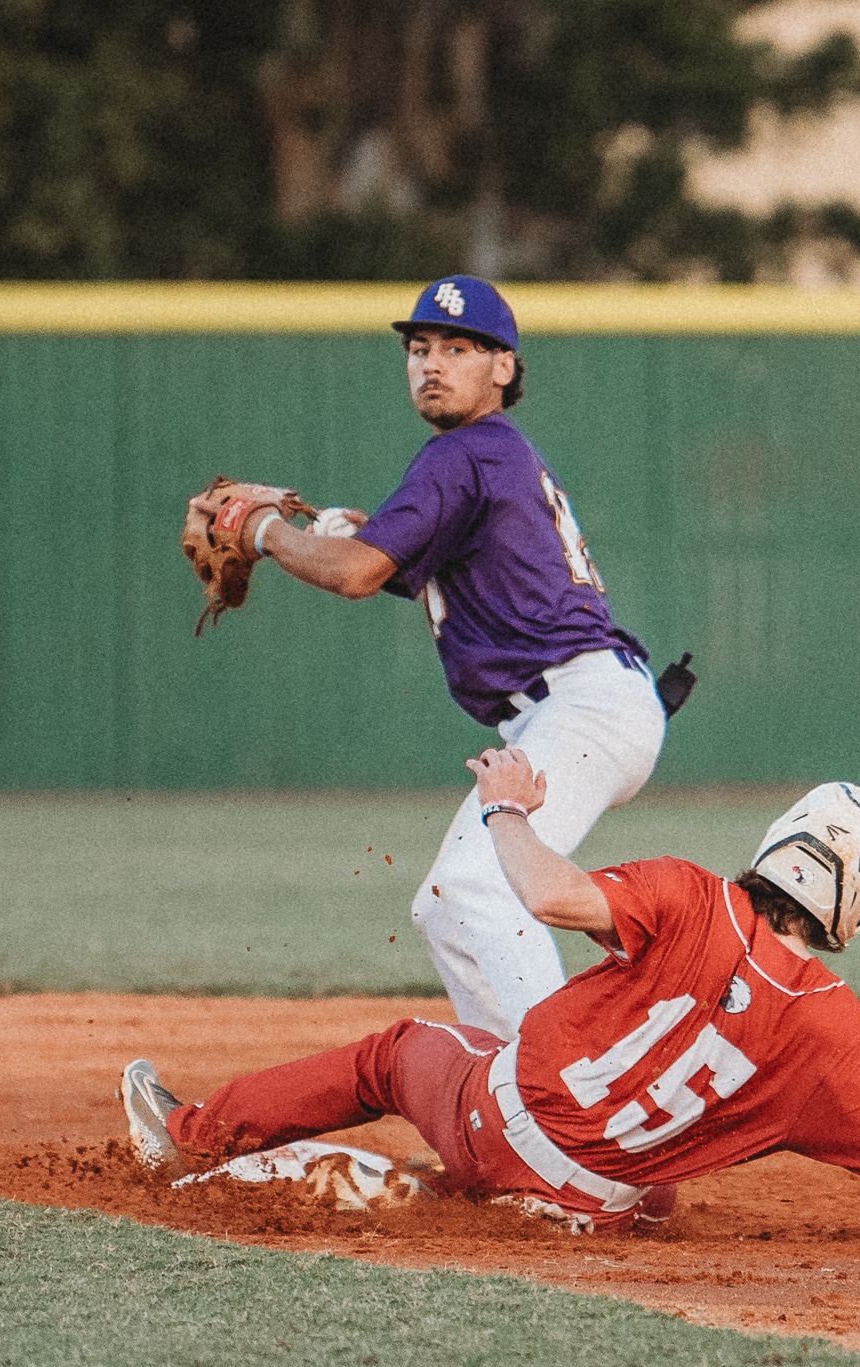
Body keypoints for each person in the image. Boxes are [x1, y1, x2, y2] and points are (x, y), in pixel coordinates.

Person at [119, 748, 860, 1242]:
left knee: (399, 1052)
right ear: (858, 897)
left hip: (507, 1126)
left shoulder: (692, 893)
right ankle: (466, 1201)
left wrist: (506, 809)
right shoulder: (834, 1030)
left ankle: (189, 1140)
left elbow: (547, 893)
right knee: (652, 1175)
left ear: (782, 843)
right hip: (601, 1204)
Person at [193, 275, 667, 1041]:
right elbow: (395, 563)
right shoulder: (487, 456)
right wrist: (353, 531)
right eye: (418, 348)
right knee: (448, 905)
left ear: (503, 367)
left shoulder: (466, 452)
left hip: (584, 704)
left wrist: (264, 533)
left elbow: (356, 573)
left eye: (457, 347)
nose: (432, 363)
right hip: (584, 706)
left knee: (481, 888)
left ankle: (579, 1100)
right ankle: (509, 1110)